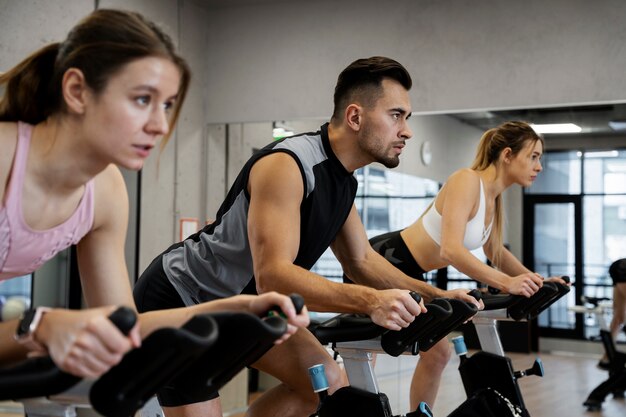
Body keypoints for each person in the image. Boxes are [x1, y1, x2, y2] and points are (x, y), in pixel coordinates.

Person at [134, 56, 481, 417]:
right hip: (184, 297)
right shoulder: (288, 164)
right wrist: (371, 302)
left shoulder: (344, 180)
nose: (406, 130)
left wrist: (437, 295)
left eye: (406, 118)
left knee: (326, 384)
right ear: (355, 117)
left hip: (250, 307)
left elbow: (361, 260)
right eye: (396, 115)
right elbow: (273, 275)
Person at [0, 8, 308, 380]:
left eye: (166, 105)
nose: (160, 125)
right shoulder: (5, 159)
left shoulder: (107, 191)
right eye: (142, 99)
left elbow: (123, 328)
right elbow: (44, 329)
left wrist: (238, 309)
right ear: (77, 91)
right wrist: (39, 327)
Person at [363, 120, 570, 410]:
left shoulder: (493, 198)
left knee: (437, 354)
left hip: (411, 273)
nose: (539, 166)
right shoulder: (466, 180)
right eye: (533, 156)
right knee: (364, 353)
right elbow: (451, 250)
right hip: (384, 259)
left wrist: (537, 280)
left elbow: (494, 251)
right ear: (508, 155)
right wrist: (506, 282)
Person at [598, 258, 626, 368]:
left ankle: (606, 358)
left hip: (618, 266)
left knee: (618, 318)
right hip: (622, 268)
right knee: (619, 318)